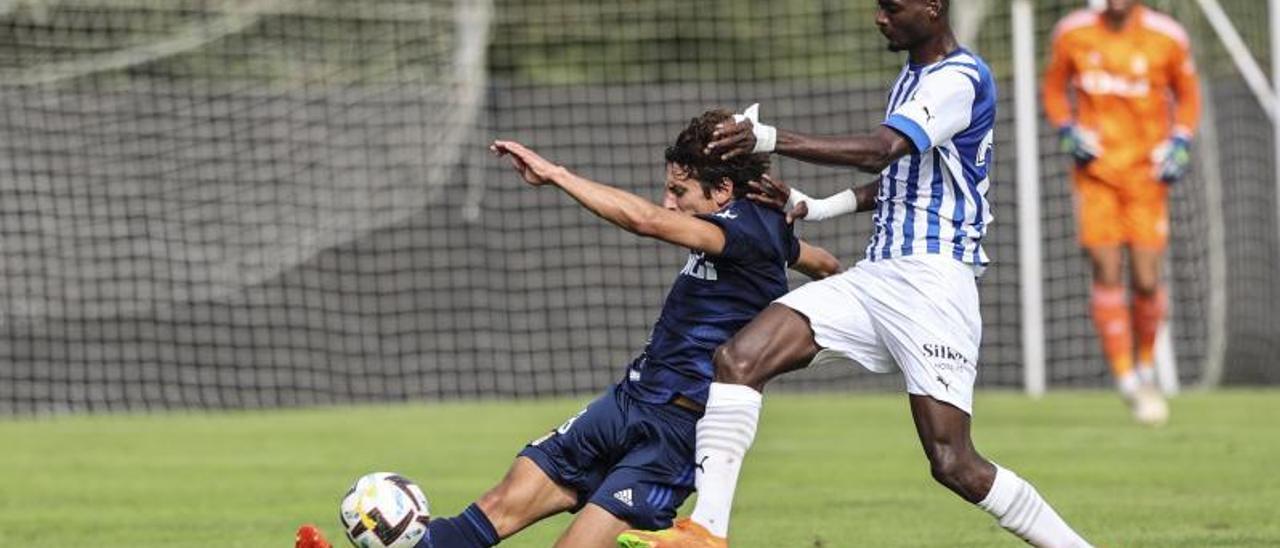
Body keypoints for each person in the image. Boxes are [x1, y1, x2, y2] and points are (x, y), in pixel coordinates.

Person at [619, 1, 1093, 547]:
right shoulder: (915, 78)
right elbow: (901, 180)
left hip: (930, 286)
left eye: (892, 7)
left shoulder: (958, 78)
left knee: (953, 462)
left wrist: (767, 138)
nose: (879, 17)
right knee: (738, 358)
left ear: (933, 8)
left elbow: (879, 152)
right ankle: (706, 533)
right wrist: (814, 206)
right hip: (878, 277)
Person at [294, 109, 839, 548]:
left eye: (680, 191)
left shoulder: (746, 230)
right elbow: (813, 259)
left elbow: (646, 222)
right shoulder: (759, 231)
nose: (668, 202)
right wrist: (844, 281)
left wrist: (556, 174)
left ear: (722, 191)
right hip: (628, 401)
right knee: (495, 508)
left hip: (678, 433)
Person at [1043, 0, 1199, 425]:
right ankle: (1126, 377)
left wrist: (1181, 140)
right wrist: (1067, 130)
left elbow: (1188, 95)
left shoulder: (1167, 36)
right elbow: (1054, 89)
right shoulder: (1073, 32)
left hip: (1147, 176)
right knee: (1105, 268)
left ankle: (1145, 363)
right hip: (1097, 175)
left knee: (1147, 279)